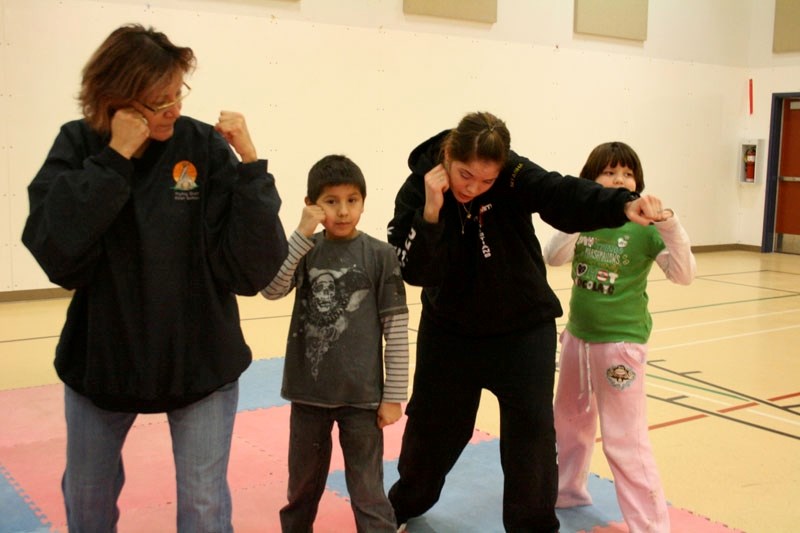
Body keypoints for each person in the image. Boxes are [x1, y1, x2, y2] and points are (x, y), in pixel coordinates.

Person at [20, 24, 287, 532]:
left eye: (176, 94)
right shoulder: (80, 145)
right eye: (157, 101)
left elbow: (252, 268)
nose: (173, 109)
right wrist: (113, 160)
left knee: (204, 507)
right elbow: (57, 254)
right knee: (87, 500)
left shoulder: (202, 147)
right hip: (104, 356)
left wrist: (252, 166)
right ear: (116, 101)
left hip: (198, 356)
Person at [386, 111, 670, 532]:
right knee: (433, 430)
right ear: (448, 155)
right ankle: (404, 503)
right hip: (450, 331)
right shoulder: (417, 189)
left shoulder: (513, 175)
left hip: (522, 328)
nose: (473, 188)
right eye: (465, 175)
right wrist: (431, 213)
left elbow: (560, 193)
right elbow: (415, 271)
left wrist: (622, 204)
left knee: (532, 441)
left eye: (486, 181)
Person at [543, 141, 695, 533]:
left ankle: (651, 526)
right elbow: (554, 256)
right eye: (609, 172)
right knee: (570, 422)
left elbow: (684, 274)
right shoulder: (586, 220)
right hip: (578, 338)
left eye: (627, 174)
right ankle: (568, 492)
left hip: (620, 347)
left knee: (624, 440)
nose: (620, 179)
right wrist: (581, 210)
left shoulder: (644, 229)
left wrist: (669, 224)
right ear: (591, 180)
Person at [261, 154, 409, 532]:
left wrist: (393, 395)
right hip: (308, 394)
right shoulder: (306, 250)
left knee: (367, 491)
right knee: (302, 487)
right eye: (331, 201)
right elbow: (272, 290)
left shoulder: (380, 255)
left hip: (361, 397)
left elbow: (396, 329)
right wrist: (300, 234)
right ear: (312, 204)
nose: (343, 211)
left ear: (362, 202)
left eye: (352, 200)